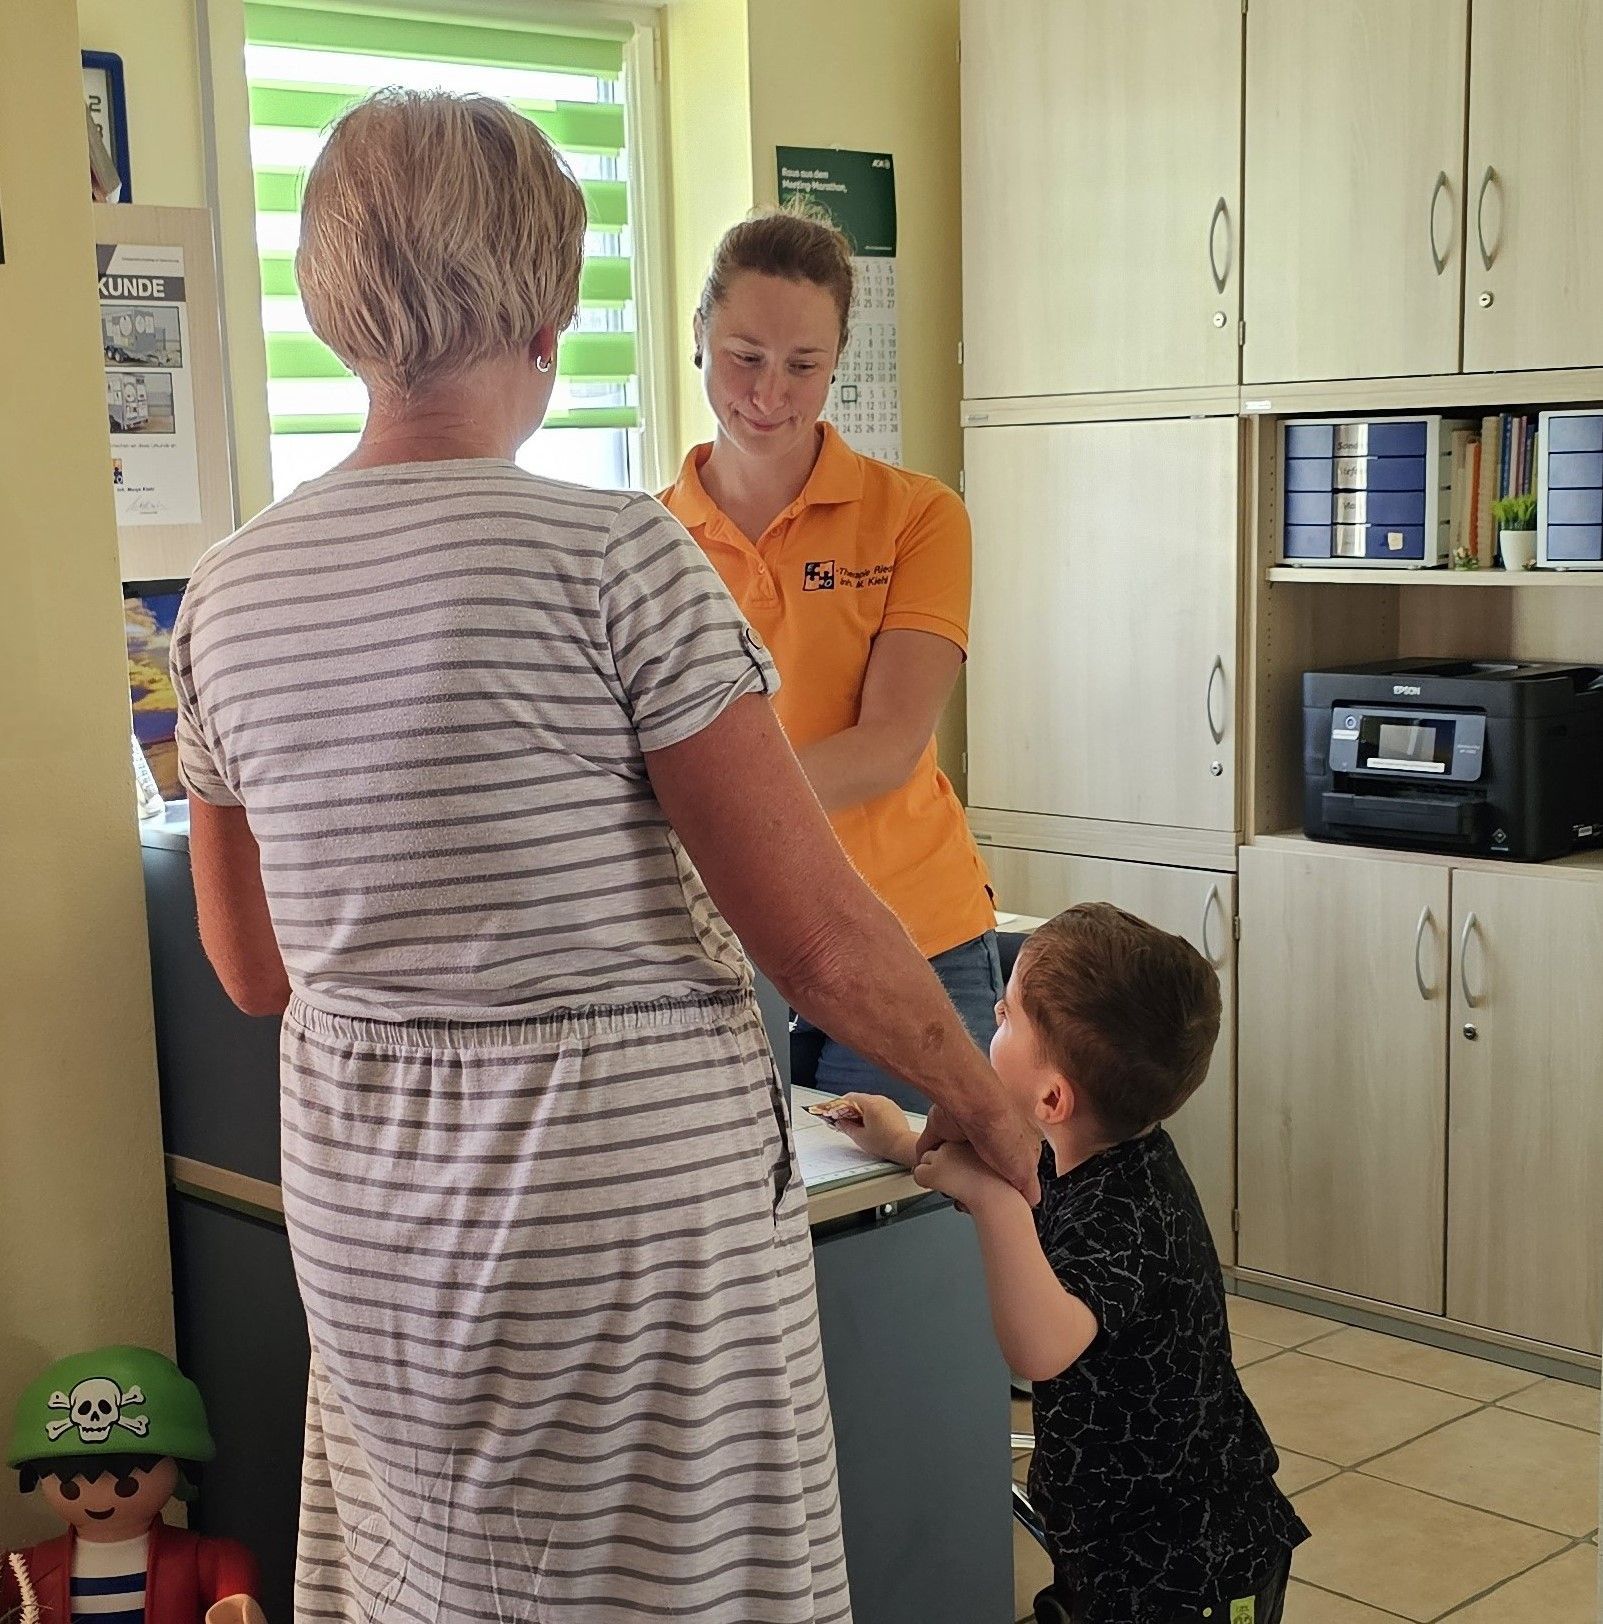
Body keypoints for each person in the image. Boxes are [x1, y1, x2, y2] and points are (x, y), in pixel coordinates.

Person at [169, 90, 1037, 1624]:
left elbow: (252, 970)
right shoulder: (613, 553)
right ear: (550, 299)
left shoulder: (227, 594)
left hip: (368, 1190)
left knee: (434, 1570)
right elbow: (815, 936)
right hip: (611, 1194)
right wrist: (980, 1101)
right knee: (664, 1582)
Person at [832, 904, 1310, 1623]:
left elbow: (1041, 1346)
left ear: (1052, 1097)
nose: (992, 1012)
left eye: (1006, 1019)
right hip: (1114, 1543)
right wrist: (903, 1146)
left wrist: (989, 1202)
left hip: (1191, 1562)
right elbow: (1024, 1188)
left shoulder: (1127, 1209)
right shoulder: (1088, 1153)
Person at [662, 209, 999, 1112]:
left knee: (915, 1230)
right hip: (725, 950)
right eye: (744, 355)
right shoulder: (646, 541)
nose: (770, 390)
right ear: (697, 338)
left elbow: (887, 746)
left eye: (803, 365)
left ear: (838, 358)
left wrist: (706, 804)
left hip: (907, 935)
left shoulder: (917, 515)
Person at [2, 1346, 264, 1624]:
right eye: (71, 1488)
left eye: (126, 1485)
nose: (99, 1498)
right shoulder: (23, 1568)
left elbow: (234, 1589)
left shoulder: (206, 1559)